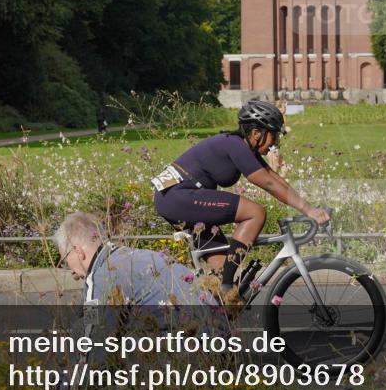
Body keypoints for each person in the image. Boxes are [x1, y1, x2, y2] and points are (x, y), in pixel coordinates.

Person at [153, 100, 329, 305]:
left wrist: (309, 206)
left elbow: (273, 176)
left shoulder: (240, 145)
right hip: (178, 196)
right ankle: (228, 288)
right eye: (274, 134)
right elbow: (269, 184)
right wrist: (308, 210)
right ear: (256, 133)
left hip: (177, 197)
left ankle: (219, 312)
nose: (276, 142)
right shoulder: (235, 146)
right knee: (255, 212)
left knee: (219, 275)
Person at [54, 212, 217, 312]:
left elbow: (95, 343)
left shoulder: (102, 277)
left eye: (65, 260)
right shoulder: (143, 255)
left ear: (77, 251)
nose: (71, 271)